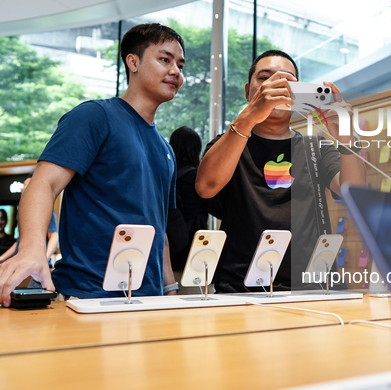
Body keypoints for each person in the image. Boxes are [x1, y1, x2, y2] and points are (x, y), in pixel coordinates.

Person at [0, 23, 185, 306]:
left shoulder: (166, 150)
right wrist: (30, 251)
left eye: (180, 65)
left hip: (148, 301)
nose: (176, 71)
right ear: (133, 62)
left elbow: (158, 230)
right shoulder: (95, 117)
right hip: (88, 297)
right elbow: (44, 183)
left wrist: (169, 289)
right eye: (165, 59)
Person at [196, 50, 366, 293]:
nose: (276, 86)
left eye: (288, 82)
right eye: (264, 78)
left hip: (313, 287)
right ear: (248, 91)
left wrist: (348, 140)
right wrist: (248, 117)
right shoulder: (228, 145)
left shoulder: (316, 147)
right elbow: (205, 187)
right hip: (240, 289)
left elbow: (355, 192)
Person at [166, 126, 209, 276]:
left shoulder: (165, 175)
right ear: (196, 149)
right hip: (192, 252)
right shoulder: (198, 179)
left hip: (166, 253)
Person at [0, 175, 59, 266]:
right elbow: (19, 242)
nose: (22, 188)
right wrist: (2, 258)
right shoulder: (25, 210)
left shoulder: (44, 207)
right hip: (21, 264)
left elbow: (54, 237)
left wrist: (44, 259)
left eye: (26, 185)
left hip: (35, 266)